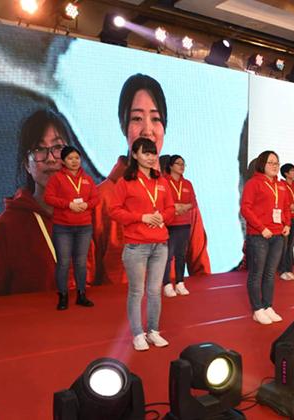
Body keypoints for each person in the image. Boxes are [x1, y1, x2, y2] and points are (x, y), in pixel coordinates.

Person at [93, 74, 210, 285]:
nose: (147, 130)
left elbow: (201, 271)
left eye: (156, 119)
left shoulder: (182, 191)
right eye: (137, 118)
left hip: (172, 303)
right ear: (123, 125)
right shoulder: (102, 197)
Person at [0, 109, 94, 295]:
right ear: (26, 164)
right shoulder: (7, 227)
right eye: (39, 150)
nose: (51, 158)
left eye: (58, 148)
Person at [109, 138, 174, 351]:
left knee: (154, 291)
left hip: (160, 244)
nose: (150, 157)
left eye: (153, 153)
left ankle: (153, 331)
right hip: (136, 245)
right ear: (135, 155)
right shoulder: (125, 182)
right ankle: (138, 333)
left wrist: (162, 217)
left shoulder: (161, 181)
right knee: (137, 291)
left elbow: (171, 208)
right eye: (145, 153)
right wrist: (141, 217)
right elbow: (114, 210)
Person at [44, 146, 98, 310]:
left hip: (84, 227)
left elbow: (96, 198)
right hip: (63, 227)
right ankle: (63, 295)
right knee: (64, 263)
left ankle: (81, 294)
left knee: (81, 262)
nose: (74, 161)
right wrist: (68, 204)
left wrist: (87, 205)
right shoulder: (57, 179)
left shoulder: (87, 179)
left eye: (77, 158)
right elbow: (48, 198)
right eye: (70, 158)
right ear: (63, 161)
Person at [241, 151, 291, 324]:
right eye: (271, 162)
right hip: (259, 235)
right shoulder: (253, 183)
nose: (275, 166)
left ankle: (268, 306)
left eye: (276, 163)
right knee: (257, 273)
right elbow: (245, 209)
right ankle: (257, 309)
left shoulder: (281, 185)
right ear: (262, 164)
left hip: (278, 235)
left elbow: (285, 207)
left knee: (270, 274)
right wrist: (261, 228)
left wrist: (287, 224)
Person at [162, 155, 197, 297]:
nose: (182, 166)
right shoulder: (164, 182)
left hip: (184, 223)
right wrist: (174, 207)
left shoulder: (187, 183)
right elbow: (161, 201)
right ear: (170, 166)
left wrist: (183, 207)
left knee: (181, 255)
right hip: (169, 224)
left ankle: (180, 282)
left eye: (183, 164)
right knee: (167, 256)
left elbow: (193, 202)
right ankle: (166, 283)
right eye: (178, 163)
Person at [278, 163, 294, 280]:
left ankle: (289, 270)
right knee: (284, 245)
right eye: (292, 171)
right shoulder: (281, 186)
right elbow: (280, 201)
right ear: (286, 173)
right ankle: (283, 270)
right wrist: (289, 206)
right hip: (285, 219)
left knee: (291, 245)